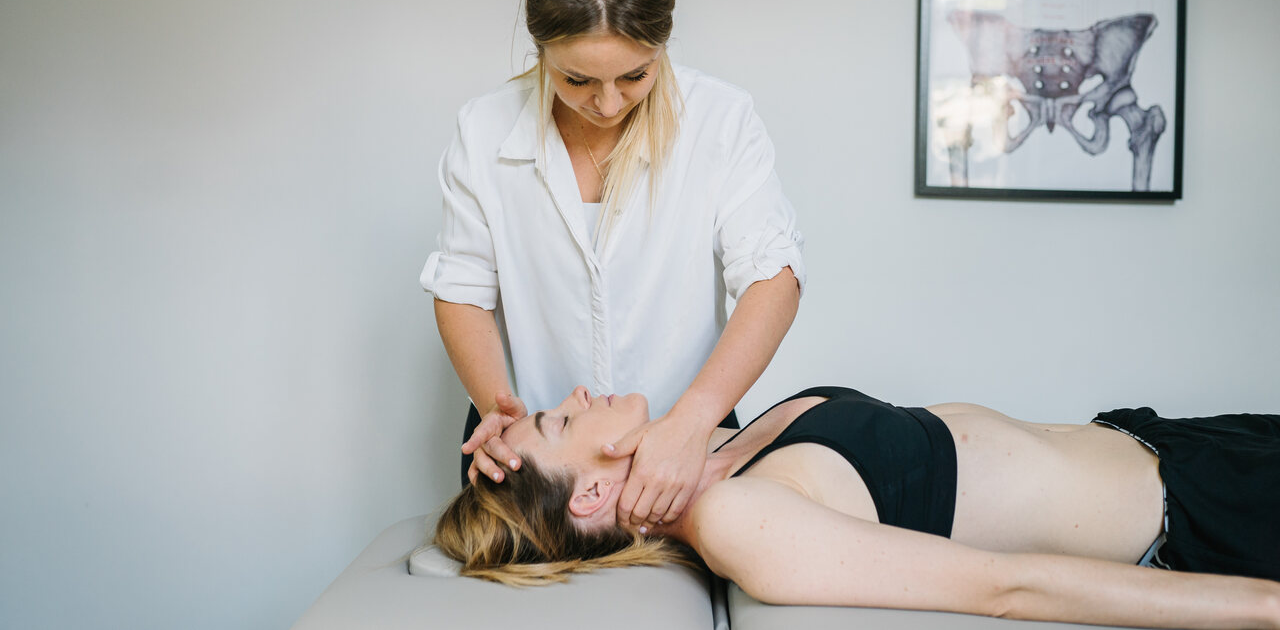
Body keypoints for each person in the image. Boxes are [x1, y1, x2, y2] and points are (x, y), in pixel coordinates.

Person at [421, 0, 804, 530]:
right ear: (540, 50)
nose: (606, 103)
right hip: (541, 481)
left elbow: (773, 277)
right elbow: (461, 288)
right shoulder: (484, 128)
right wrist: (500, 411)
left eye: (634, 76)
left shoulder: (720, 122)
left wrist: (692, 422)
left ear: (663, 45)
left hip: (688, 443)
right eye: (576, 79)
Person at [432, 385, 1280, 628]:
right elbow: (1008, 586)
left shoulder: (703, 453)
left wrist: (501, 432)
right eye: (562, 420)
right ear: (590, 492)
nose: (578, 394)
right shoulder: (734, 518)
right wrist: (1264, 604)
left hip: (1180, 443)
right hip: (1209, 512)